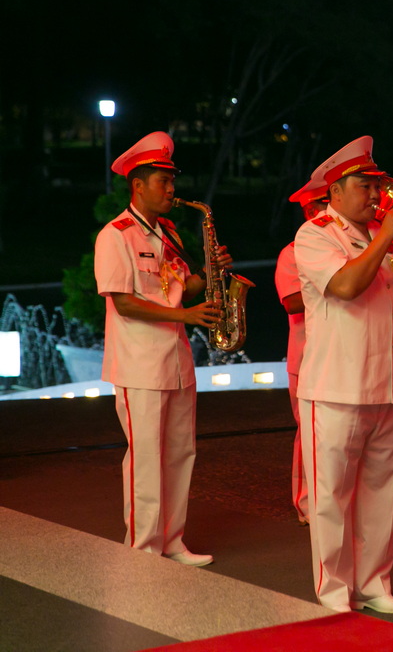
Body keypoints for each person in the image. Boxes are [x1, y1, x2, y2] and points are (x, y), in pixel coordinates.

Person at [293, 136, 393, 614]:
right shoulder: (315, 234)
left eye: (376, 186)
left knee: (382, 491)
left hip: (388, 384)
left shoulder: (381, 235)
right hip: (336, 387)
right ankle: (334, 591)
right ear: (334, 191)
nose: (375, 195)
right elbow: (347, 285)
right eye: (364, 186)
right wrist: (387, 236)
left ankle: (375, 583)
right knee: (331, 496)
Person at [94, 131, 231, 566]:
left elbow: (178, 288)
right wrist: (185, 315)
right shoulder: (115, 235)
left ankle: (172, 540)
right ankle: (143, 550)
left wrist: (208, 274)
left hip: (175, 359)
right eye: (163, 182)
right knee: (147, 458)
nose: (172, 190)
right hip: (139, 364)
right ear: (138, 185)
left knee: (179, 453)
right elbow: (123, 302)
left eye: (172, 181)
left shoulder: (168, 232)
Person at [274, 179, 327, 524]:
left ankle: (330, 500)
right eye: (325, 205)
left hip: (336, 356)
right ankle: (306, 502)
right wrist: (336, 285)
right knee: (309, 433)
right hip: (306, 356)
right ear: (310, 211)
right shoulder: (292, 252)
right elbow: (292, 301)